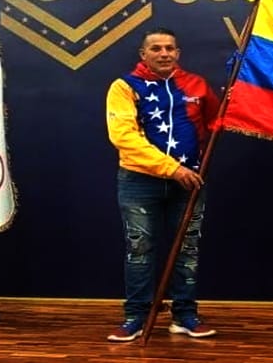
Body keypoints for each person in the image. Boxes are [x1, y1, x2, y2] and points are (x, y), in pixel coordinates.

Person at [105, 28, 220, 342]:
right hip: (139, 181)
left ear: (178, 53)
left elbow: (216, 121)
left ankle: (185, 316)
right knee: (139, 249)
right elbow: (123, 138)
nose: (164, 53)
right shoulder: (124, 87)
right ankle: (136, 317)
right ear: (143, 54)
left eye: (170, 48)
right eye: (156, 48)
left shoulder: (196, 85)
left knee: (187, 250)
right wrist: (172, 169)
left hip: (189, 182)